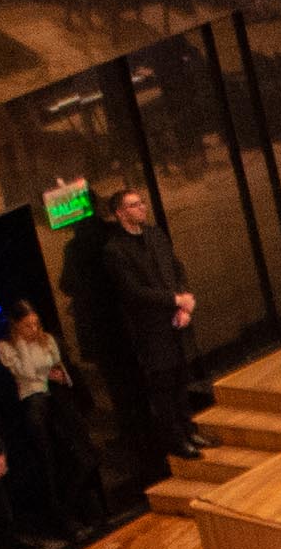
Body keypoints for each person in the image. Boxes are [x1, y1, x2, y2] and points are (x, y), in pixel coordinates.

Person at [67, 184, 200, 475]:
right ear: (119, 212)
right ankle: (176, 439)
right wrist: (174, 300)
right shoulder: (115, 250)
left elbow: (175, 267)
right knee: (164, 386)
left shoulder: (155, 234)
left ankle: (190, 429)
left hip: (177, 319)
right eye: (133, 205)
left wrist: (183, 302)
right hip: (151, 328)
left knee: (181, 378)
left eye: (141, 203)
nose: (141, 208)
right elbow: (133, 291)